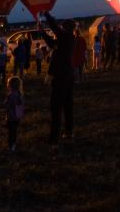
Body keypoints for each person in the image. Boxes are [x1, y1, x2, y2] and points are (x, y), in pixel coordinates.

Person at [36, 14, 74, 144]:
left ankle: (54, 137)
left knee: (56, 106)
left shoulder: (66, 37)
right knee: (67, 105)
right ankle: (68, 132)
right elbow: (52, 43)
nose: (61, 29)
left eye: (63, 27)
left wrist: (46, 13)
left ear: (66, 28)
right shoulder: (66, 39)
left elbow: (55, 28)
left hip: (62, 77)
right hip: (67, 76)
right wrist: (42, 33)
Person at [4, 75, 24, 153]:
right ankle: (14, 144)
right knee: (14, 131)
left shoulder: (11, 95)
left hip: (11, 117)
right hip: (17, 116)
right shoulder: (20, 95)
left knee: (11, 132)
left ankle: (11, 146)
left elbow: (6, 105)